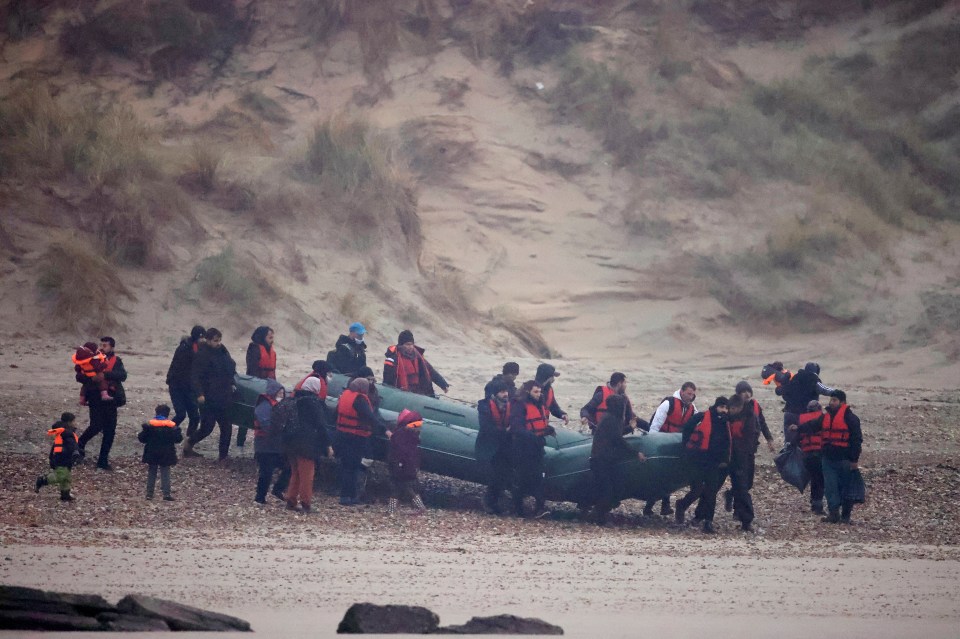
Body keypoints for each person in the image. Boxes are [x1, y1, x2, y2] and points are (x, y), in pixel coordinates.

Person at [793, 390, 862, 524]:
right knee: (830, 488)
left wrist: (854, 460)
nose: (831, 402)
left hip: (845, 459)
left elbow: (856, 440)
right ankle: (834, 514)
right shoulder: (825, 417)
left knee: (845, 488)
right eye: (831, 400)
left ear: (842, 402)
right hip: (828, 458)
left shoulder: (851, 419)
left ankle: (846, 516)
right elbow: (812, 425)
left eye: (834, 400)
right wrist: (798, 428)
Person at [675, 396, 731, 534]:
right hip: (698, 460)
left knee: (711, 492)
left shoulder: (726, 423)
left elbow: (726, 443)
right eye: (722, 407)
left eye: (726, 408)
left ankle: (708, 522)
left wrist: (724, 460)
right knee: (697, 490)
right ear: (716, 406)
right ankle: (681, 505)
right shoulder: (701, 416)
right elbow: (687, 428)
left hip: (714, 463)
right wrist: (686, 447)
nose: (724, 410)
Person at [643, 381, 697, 516]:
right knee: (660, 477)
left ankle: (662, 506)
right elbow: (655, 426)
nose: (690, 397)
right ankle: (652, 506)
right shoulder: (669, 404)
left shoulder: (692, 408)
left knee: (668, 476)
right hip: (661, 445)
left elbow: (698, 423)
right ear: (682, 391)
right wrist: (652, 445)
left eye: (692, 394)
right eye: (688, 394)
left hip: (674, 446)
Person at [590, 395, 645, 526]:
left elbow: (615, 434)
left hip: (603, 459)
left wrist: (630, 428)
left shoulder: (609, 417)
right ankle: (600, 519)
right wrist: (635, 453)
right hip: (601, 460)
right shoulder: (611, 419)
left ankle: (598, 513)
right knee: (606, 489)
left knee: (609, 487)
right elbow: (618, 440)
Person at [183, 328, 236, 461]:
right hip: (208, 397)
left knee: (226, 427)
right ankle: (189, 443)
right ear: (208, 340)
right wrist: (199, 393)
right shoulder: (202, 354)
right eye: (215, 340)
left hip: (224, 394)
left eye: (219, 340)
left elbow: (230, 367)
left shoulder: (222, 350)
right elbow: (195, 376)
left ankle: (223, 456)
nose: (218, 343)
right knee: (207, 427)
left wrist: (232, 382)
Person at [723, 381, 776, 513]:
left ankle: (730, 495)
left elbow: (762, 423)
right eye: (743, 391)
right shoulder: (733, 409)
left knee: (748, 482)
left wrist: (769, 438)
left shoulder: (755, 406)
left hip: (751, 449)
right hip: (737, 451)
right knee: (741, 481)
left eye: (748, 391)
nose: (746, 394)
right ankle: (738, 510)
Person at [283, 377, 333, 513]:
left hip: (290, 442)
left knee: (295, 473)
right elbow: (321, 425)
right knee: (307, 475)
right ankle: (306, 503)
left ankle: (291, 500)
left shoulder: (293, 399)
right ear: (316, 389)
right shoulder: (312, 403)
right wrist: (328, 444)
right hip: (306, 444)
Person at [76, 337, 127, 471]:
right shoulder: (90, 358)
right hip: (94, 397)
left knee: (110, 430)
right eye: (101, 344)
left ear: (112, 347)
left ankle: (102, 461)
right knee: (96, 425)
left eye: (105, 345)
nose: (102, 347)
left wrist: (105, 375)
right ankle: (79, 444)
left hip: (111, 398)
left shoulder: (116, 360)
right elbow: (79, 376)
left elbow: (122, 375)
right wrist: (91, 377)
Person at [334, 377, 387, 505]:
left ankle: (348, 496)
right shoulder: (360, 400)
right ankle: (347, 497)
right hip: (355, 437)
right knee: (352, 467)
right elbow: (370, 417)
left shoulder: (345, 396)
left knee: (347, 466)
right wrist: (384, 429)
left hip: (343, 434)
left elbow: (335, 415)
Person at [509, 380, 555, 518]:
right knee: (523, 478)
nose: (538, 394)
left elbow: (539, 423)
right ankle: (518, 508)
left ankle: (539, 507)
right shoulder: (519, 405)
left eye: (540, 391)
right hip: (523, 448)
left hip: (536, 446)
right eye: (536, 391)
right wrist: (532, 437)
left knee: (538, 476)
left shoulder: (539, 404)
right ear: (528, 391)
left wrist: (547, 430)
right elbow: (517, 428)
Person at [476, 379, 512, 515]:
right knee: (495, 475)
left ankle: (496, 501)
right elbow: (486, 427)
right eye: (502, 392)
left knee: (503, 474)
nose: (506, 394)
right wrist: (505, 431)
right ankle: (489, 502)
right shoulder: (484, 407)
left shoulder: (509, 406)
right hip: (489, 446)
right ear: (495, 394)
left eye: (506, 391)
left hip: (504, 445)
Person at [253, 379, 291, 504]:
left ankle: (278, 489)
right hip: (264, 445)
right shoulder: (264, 406)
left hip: (277, 445)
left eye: (282, 393)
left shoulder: (280, 406)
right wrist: (280, 429)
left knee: (289, 467)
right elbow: (266, 424)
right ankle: (260, 497)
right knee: (266, 472)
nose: (281, 395)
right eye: (279, 393)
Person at [238, 326, 277, 448]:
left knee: (266, 414)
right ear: (262, 337)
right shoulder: (254, 349)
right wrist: (258, 385)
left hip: (268, 385)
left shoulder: (270, 350)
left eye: (272, 337)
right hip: (255, 385)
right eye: (270, 337)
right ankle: (240, 442)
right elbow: (252, 369)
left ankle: (262, 441)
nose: (272, 340)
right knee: (248, 413)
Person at [723, 394, 757, 532]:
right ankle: (746, 520)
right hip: (730, 458)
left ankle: (745, 519)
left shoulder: (749, 417)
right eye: (730, 408)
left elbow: (748, 441)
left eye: (733, 408)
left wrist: (741, 462)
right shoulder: (728, 418)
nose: (731, 411)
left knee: (745, 487)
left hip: (744, 458)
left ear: (740, 407)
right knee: (741, 488)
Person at [165, 325, 205, 441]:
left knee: (195, 416)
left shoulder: (198, 348)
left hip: (188, 387)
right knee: (181, 414)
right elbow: (180, 371)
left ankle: (189, 440)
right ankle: (165, 432)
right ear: (196, 337)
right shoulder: (184, 349)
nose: (203, 340)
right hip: (177, 386)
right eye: (201, 337)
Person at [383, 330, 449, 396]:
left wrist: (443, 384)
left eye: (411, 344)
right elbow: (387, 381)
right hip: (402, 393)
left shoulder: (418, 357)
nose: (410, 347)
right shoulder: (393, 359)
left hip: (417, 392)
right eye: (407, 344)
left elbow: (431, 371)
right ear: (401, 345)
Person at [137, 404, 182, 501]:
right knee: (165, 472)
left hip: (152, 452)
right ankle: (166, 494)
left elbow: (142, 438)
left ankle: (149, 494)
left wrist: (145, 429)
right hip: (166, 453)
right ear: (167, 414)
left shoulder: (150, 425)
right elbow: (178, 439)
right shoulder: (171, 426)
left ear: (156, 412)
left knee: (152, 472)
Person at [780, 362, 834, 439]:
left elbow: (785, 393)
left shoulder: (795, 378)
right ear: (816, 372)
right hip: (804, 415)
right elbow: (825, 390)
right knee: (803, 442)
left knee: (789, 442)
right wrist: (837, 393)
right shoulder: (813, 379)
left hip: (789, 413)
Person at [388, 409, 427, 515]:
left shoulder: (400, 433)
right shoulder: (413, 435)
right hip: (408, 464)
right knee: (404, 486)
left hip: (401, 464)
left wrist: (398, 463)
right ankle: (392, 510)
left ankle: (392, 510)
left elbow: (399, 449)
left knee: (400, 486)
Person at [35, 412, 79, 502]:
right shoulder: (68, 433)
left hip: (63, 457)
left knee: (66, 477)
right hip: (62, 458)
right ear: (69, 422)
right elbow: (71, 445)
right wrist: (76, 452)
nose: (75, 423)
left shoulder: (64, 432)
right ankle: (43, 480)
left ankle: (65, 494)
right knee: (61, 476)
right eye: (74, 421)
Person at [793, 399, 826, 515]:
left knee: (814, 478)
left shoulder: (801, 420)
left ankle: (814, 501)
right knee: (820, 479)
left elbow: (796, 439)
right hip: (819, 453)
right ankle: (817, 504)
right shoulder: (822, 418)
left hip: (806, 454)